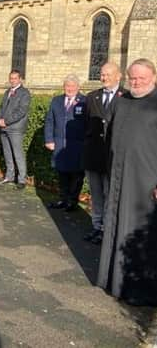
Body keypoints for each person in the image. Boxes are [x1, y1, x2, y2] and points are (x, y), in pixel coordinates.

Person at [98, 58, 157, 306]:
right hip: (120, 176)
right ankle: (114, 281)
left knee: (142, 233)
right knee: (115, 225)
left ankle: (140, 291)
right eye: (133, 78)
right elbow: (108, 133)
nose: (137, 82)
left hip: (147, 182)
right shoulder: (121, 102)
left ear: (154, 77)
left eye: (142, 78)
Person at [82, 62, 126, 244]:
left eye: (108, 74)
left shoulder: (126, 98)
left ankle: (108, 230)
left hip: (112, 157)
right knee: (97, 194)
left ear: (118, 76)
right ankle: (96, 226)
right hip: (94, 156)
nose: (104, 78)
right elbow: (87, 125)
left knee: (110, 195)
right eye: (102, 74)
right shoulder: (92, 96)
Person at [44, 74, 87, 212]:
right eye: (67, 86)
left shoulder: (85, 101)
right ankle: (63, 199)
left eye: (72, 86)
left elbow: (88, 124)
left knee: (76, 175)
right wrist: (49, 139)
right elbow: (50, 121)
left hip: (77, 146)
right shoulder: (56, 100)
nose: (69, 88)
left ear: (78, 87)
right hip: (59, 144)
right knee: (61, 174)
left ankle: (72, 202)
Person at [0, 69, 31, 189]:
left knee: (18, 154)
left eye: (15, 78)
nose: (13, 80)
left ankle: (22, 180)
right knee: (7, 153)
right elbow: (1, 107)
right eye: (11, 78)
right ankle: (9, 176)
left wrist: (6, 121)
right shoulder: (7, 92)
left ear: (20, 79)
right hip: (4, 128)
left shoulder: (25, 93)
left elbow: (21, 111)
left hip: (15, 128)